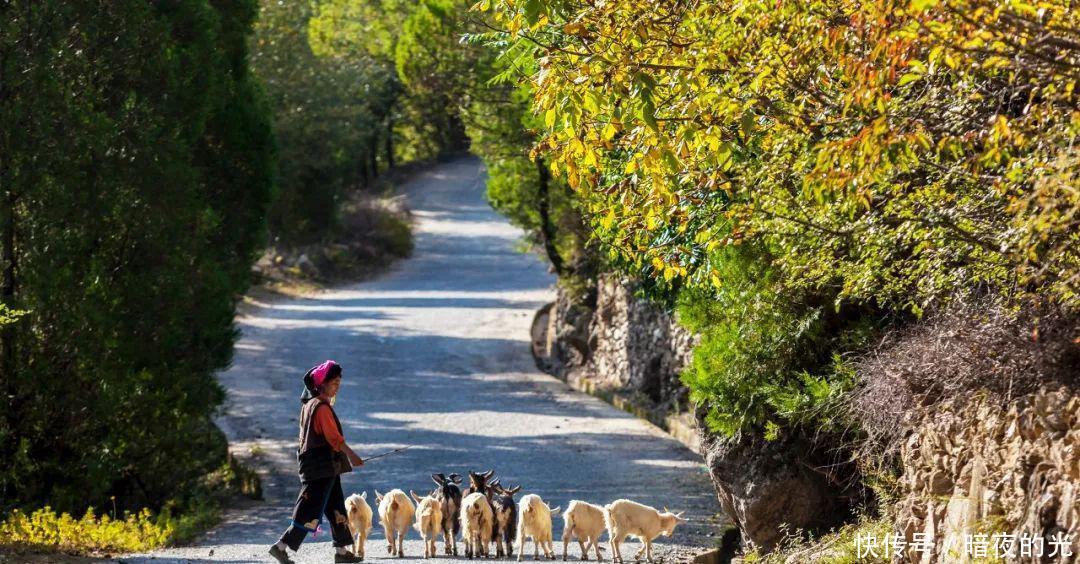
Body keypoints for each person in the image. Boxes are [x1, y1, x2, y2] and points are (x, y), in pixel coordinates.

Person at [269, 360, 365, 564]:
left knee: (336, 506)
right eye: (333, 383)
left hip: (324, 467)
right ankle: (280, 547)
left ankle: (341, 552)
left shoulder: (310, 404)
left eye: (339, 382)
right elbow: (334, 439)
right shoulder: (321, 408)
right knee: (308, 510)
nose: (337, 386)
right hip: (320, 468)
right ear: (321, 384)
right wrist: (353, 456)